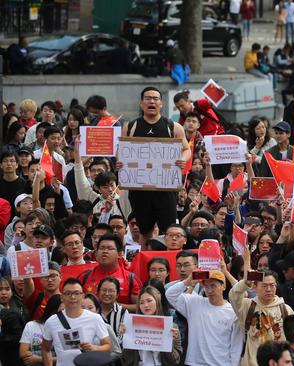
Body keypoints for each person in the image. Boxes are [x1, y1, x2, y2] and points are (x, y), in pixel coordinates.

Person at [118, 87, 191, 242]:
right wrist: (120, 163)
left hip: (166, 189)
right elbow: (122, 151)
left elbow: (186, 149)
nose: (152, 101)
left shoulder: (173, 127)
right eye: (148, 98)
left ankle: (169, 263)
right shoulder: (130, 127)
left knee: (169, 231)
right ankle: (146, 264)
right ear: (141, 102)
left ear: (161, 103)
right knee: (145, 231)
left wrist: (183, 159)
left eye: (155, 98)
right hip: (140, 189)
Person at [230, 269, 293, 366]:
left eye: (272, 285)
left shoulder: (286, 309)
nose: (268, 289)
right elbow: (234, 296)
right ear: (255, 287)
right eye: (264, 285)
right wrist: (245, 283)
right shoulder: (247, 306)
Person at [41, 278, 111, 366]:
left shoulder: (95, 318)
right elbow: (45, 348)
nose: (72, 297)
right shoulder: (51, 321)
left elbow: (108, 346)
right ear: (62, 297)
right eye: (68, 293)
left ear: (82, 296)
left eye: (76, 293)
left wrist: (94, 348)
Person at [77, 234, 141, 312]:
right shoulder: (84, 276)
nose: (105, 251)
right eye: (101, 248)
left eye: (110, 248)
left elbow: (140, 306)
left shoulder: (130, 278)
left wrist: (116, 306)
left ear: (119, 254)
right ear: (96, 253)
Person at [122, 286, 182, 366]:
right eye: (141, 302)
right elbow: (126, 361)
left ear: (157, 301)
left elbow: (175, 361)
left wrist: (168, 343)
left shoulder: (171, 327)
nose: (145, 305)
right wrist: (126, 338)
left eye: (149, 301)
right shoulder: (131, 326)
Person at [19, 295, 62, 366]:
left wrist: (39, 359)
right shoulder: (31, 325)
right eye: (60, 311)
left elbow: (66, 357)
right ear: (52, 310)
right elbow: (23, 353)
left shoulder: (67, 328)